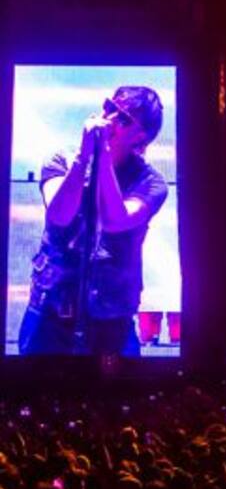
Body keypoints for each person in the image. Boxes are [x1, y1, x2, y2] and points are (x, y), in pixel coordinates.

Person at [19, 86, 168, 357]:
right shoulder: (62, 160)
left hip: (112, 322)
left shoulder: (150, 182)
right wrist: (83, 158)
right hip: (50, 312)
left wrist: (104, 158)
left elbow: (115, 220)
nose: (109, 119)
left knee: (123, 385)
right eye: (109, 107)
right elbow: (59, 214)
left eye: (123, 119)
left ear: (141, 137)